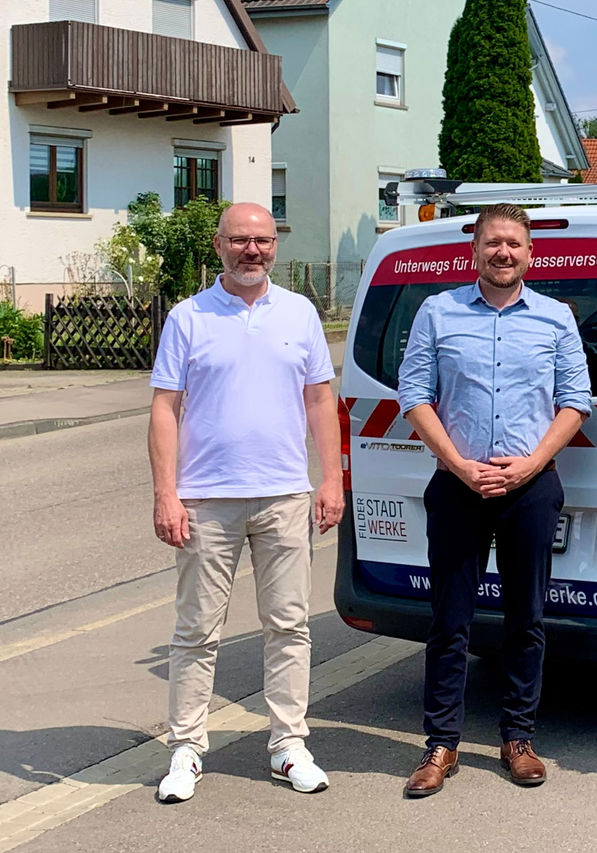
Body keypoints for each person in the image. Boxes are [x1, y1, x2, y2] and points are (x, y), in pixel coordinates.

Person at [148, 202, 343, 803]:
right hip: (205, 500)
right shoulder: (188, 317)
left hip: (284, 494)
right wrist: (166, 494)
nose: (251, 250)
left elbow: (319, 400)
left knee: (288, 626)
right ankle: (186, 747)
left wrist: (331, 479)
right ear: (219, 246)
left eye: (262, 240)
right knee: (196, 631)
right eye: (239, 240)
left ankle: (288, 745)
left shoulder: (300, 312)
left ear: (275, 246)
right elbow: (164, 409)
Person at [396, 203, 591, 798]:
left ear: (530, 253)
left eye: (513, 243)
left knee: (525, 619)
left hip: (530, 487)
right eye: (492, 243)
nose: (503, 252)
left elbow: (576, 401)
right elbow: (414, 395)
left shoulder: (556, 318)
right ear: (474, 250)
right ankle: (441, 743)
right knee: (449, 621)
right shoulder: (438, 311)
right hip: (458, 487)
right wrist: (459, 465)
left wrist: (532, 463)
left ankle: (518, 738)